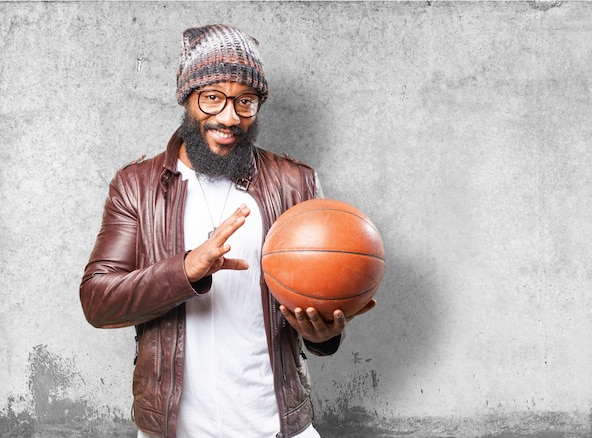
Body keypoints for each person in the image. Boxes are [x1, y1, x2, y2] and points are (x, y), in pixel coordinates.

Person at [80, 24, 375, 438]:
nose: (229, 117)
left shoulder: (296, 183)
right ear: (187, 99)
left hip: (277, 424)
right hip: (173, 429)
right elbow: (98, 301)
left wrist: (323, 334)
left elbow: (313, 305)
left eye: (245, 101)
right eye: (213, 98)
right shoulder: (137, 186)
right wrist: (185, 270)